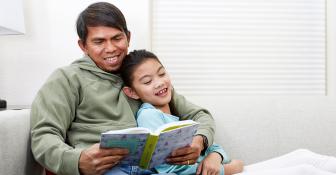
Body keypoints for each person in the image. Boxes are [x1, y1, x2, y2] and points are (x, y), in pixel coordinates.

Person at [30, 2, 217, 175]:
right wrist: (77, 160)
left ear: (128, 37)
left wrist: (199, 141)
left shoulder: (143, 77)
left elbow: (201, 115)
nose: (110, 48)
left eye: (117, 38)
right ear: (83, 46)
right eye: (99, 42)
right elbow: (43, 136)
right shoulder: (67, 79)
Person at [118, 49, 244, 175]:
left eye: (162, 74)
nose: (159, 83)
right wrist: (228, 169)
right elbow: (170, 169)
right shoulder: (148, 116)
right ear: (132, 92)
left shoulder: (178, 114)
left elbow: (213, 146)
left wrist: (215, 157)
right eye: (147, 82)